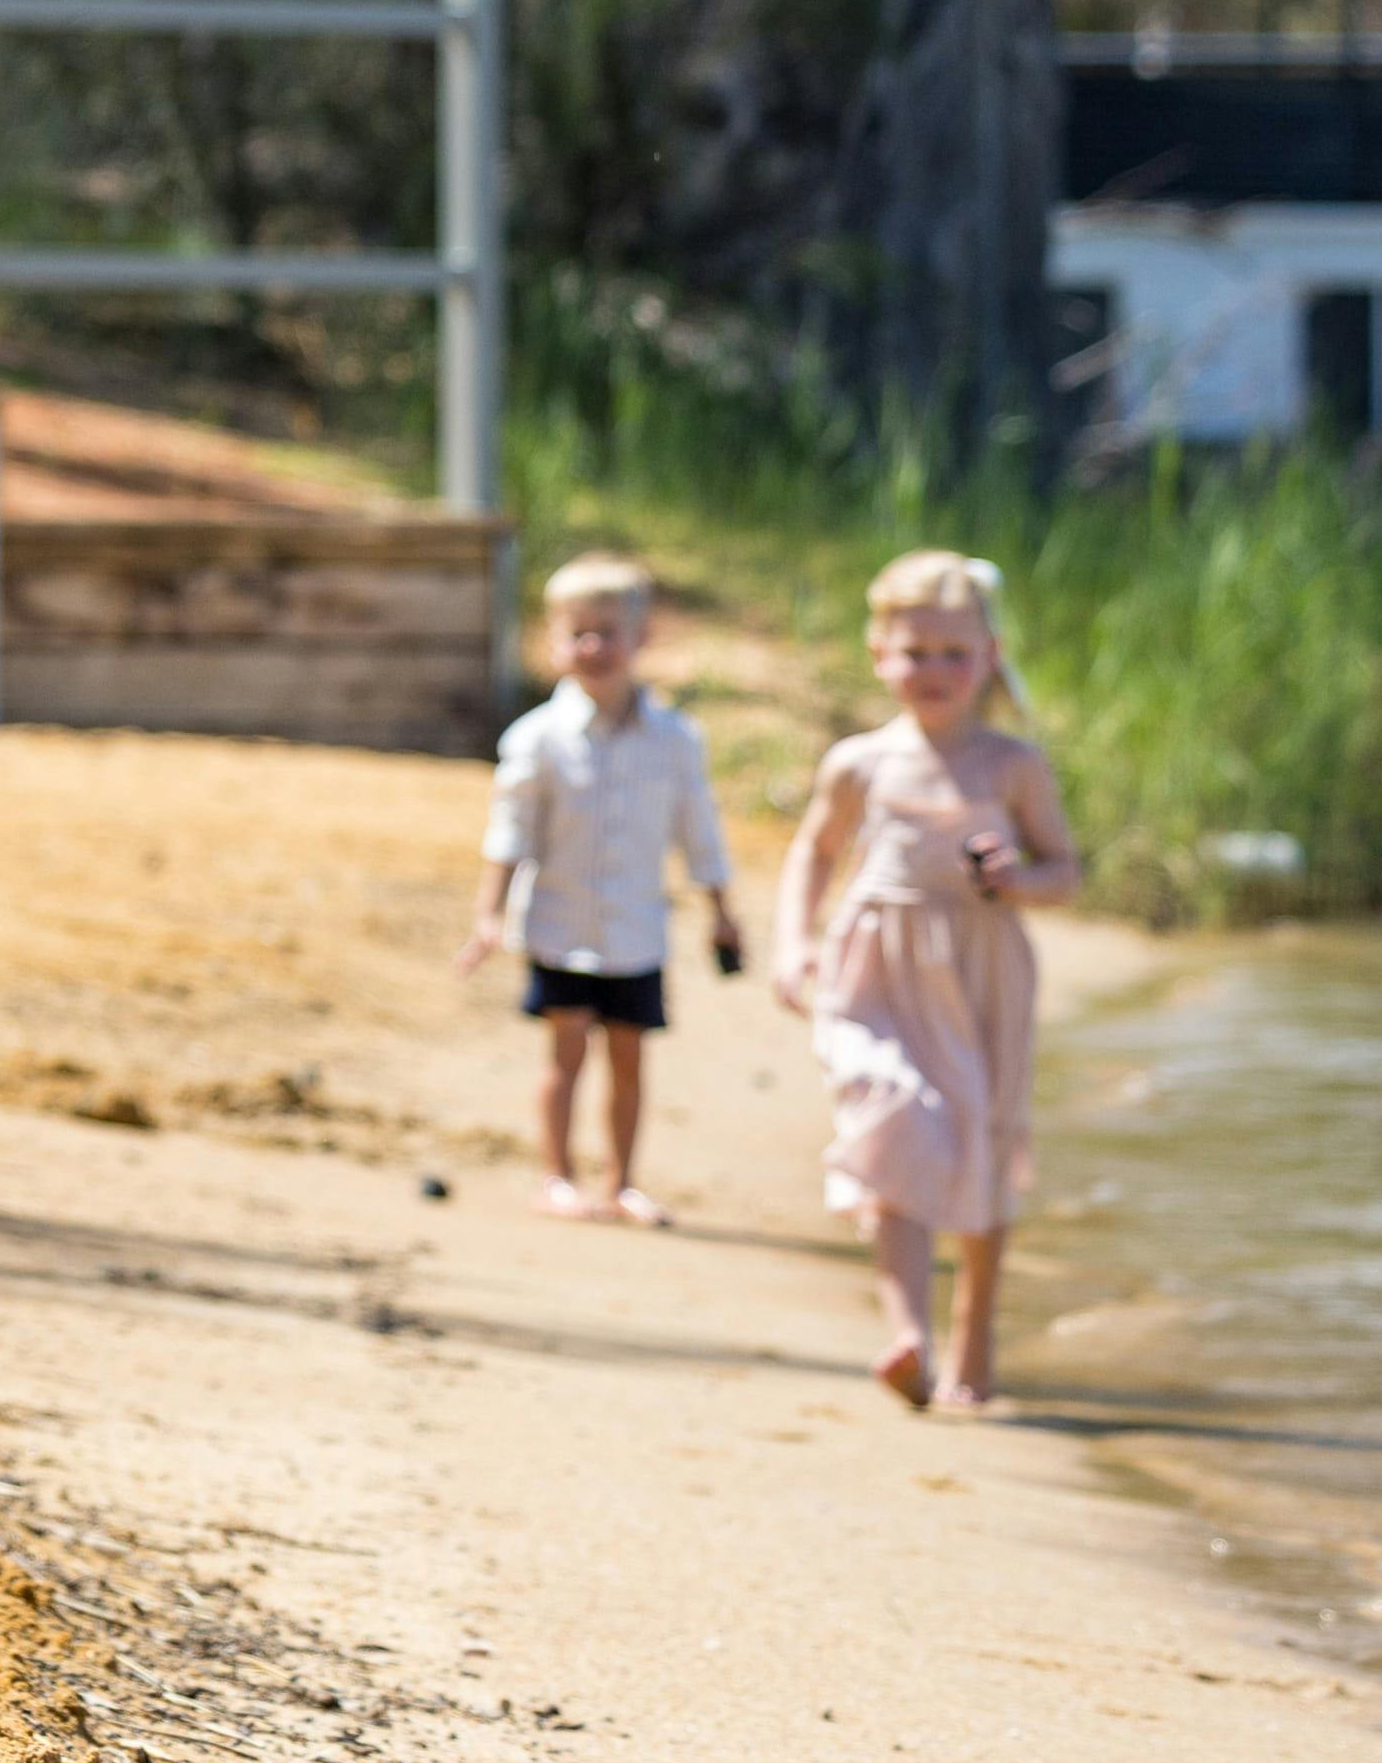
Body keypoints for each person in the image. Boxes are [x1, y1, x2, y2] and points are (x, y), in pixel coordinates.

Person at [776, 546, 1082, 1414]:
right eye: (916, 653)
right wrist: (792, 943)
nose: (935, 671)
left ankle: (974, 1342)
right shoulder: (860, 762)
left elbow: (1066, 870)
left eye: (955, 653)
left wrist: (1019, 879)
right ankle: (907, 1330)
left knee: (981, 1140)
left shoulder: (1012, 765)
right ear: (880, 657)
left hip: (983, 973)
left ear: (989, 657)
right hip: (877, 965)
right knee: (892, 1120)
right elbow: (815, 851)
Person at [460, 549, 741, 1221]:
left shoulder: (675, 739)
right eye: (576, 633)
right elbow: (511, 833)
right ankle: (556, 1175)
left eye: (607, 632)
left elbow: (698, 830)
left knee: (628, 1057)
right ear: (553, 643)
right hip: (562, 924)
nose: (592, 647)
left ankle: (621, 1182)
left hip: (637, 928)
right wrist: (488, 915)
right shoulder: (537, 739)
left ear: (641, 638)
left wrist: (722, 910)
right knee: (565, 1051)